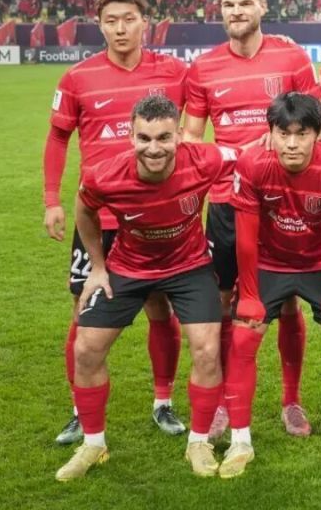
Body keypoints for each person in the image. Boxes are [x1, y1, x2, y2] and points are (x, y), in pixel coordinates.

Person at [55, 95, 229, 481]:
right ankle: (93, 444)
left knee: (207, 349)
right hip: (128, 268)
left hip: (189, 267)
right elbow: (84, 209)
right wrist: (97, 267)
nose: (154, 148)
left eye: (164, 138)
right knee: (86, 349)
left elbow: (252, 156)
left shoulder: (206, 159)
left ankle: (199, 442)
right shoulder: (104, 175)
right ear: (130, 137)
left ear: (179, 135)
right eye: (144, 138)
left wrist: (313, 138)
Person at [43, 0, 186, 445]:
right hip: (98, 219)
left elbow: (204, 116)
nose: (120, 29)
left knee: (160, 306)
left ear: (145, 22)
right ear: (99, 25)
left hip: (158, 216)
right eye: (111, 21)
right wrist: (52, 200)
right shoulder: (78, 77)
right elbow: (58, 137)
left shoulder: (174, 73)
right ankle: (79, 410)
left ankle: (163, 402)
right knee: (84, 309)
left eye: (129, 19)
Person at [183, 0, 320, 439]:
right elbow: (191, 140)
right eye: (228, 5)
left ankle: (291, 401)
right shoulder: (203, 68)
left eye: (245, 3)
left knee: (286, 301)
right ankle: (225, 401)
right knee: (225, 301)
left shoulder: (292, 57)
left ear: (263, 6)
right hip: (227, 201)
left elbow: (314, 124)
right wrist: (231, 156)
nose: (236, 11)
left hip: (285, 201)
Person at [221, 93, 321, 477]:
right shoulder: (252, 163)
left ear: (318, 133)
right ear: (270, 132)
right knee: (243, 338)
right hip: (269, 262)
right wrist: (248, 293)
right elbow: (245, 237)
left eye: (302, 134)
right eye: (283, 133)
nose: (291, 144)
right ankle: (240, 441)